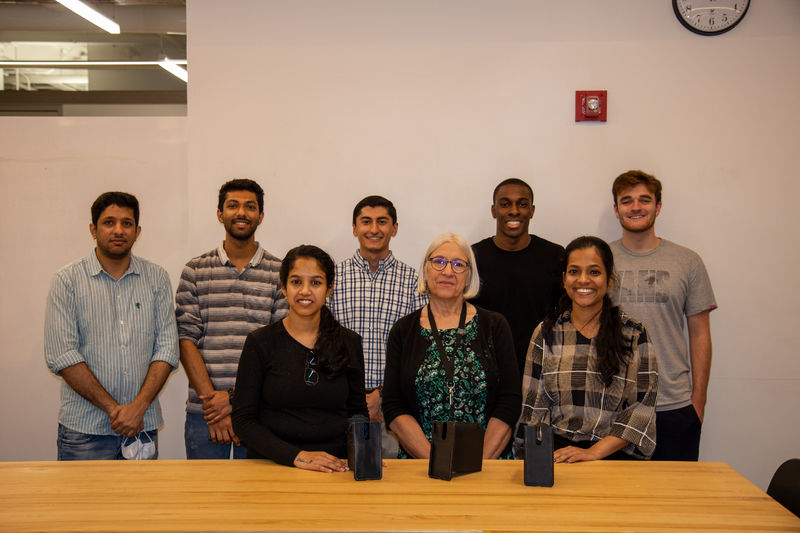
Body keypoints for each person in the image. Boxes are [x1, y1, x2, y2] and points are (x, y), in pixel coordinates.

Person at [44, 191, 179, 460]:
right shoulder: (67, 280)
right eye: (109, 222)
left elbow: (167, 349)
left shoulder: (156, 278)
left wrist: (137, 408)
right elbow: (63, 355)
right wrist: (116, 411)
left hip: (142, 427)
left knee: (141, 503)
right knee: (84, 504)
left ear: (137, 231)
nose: (118, 230)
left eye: (126, 223)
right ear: (93, 229)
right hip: (83, 433)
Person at [175, 179, 288, 460]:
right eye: (233, 205)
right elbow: (185, 339)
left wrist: (234, 399)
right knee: (207, 501)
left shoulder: (281, 273)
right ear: (219, 214)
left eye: (250, 207)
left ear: (260, 216)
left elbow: (281, 346)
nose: (241, 212)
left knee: (259, 501)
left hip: (260, 412)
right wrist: (214, 405)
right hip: (205, 414)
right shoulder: (195, 270)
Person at [518, 236, 658, 462]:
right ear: (564, 280)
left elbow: (641, 409)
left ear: (610, 280)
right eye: (574, 271)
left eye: (594, 272)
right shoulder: (546, 333)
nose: (583, 280)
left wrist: (593, 453)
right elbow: (534, 407)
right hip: (558, 456)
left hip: (616, 457)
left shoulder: (634, 334)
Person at [382, 232, 521, 459]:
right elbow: (394, 405)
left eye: (458, 264)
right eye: (438, 262)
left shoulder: (495, 325)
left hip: (487, 464)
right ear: (425, 270)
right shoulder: (403, 330)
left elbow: (510, 400)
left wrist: (478, 462)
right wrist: (435, 461)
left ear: (468, 276)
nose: (447, 271)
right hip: (421, 465)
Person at [609, 170, 716, 461]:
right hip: (612, 406)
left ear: (658, 207)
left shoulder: (688, 261)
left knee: (675, 501)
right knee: (614, 503)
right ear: (616, 209)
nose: (636, 207)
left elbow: (700, 335)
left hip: (673, 405)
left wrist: (698, 402)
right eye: (627, 200)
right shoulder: (599, 261)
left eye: (645, 199)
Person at [232, 245, 368, 472]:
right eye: (296, 282)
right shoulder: (260, 342)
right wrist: (298, 456)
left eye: (315, 283)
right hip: (272, 465)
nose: (305, 291)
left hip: (334, 468)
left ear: (329, 288)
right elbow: (243, 420)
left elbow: (357, 412)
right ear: (284, 287)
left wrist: (364, 452)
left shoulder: (349, 342)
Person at [327, 195, 427, 454]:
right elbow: (324, 343)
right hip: (341, 407)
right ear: (354, 228)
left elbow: (418, 351)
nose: (374, 229)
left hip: (393, 411)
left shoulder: (415, 284)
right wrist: (358, 399)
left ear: (394, 228)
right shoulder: (332, 280)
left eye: (382, 222)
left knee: (392, 490)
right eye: (366, 222)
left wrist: (380, 396)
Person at [471, 178, 564, 374]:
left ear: (532, 210)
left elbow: (565, 313)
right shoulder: (473, 257)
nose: (514, 210)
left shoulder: (554, 255)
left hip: (541, 367)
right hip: (486, 369)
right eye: (505, 204)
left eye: (522, 204)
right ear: (494, 210)